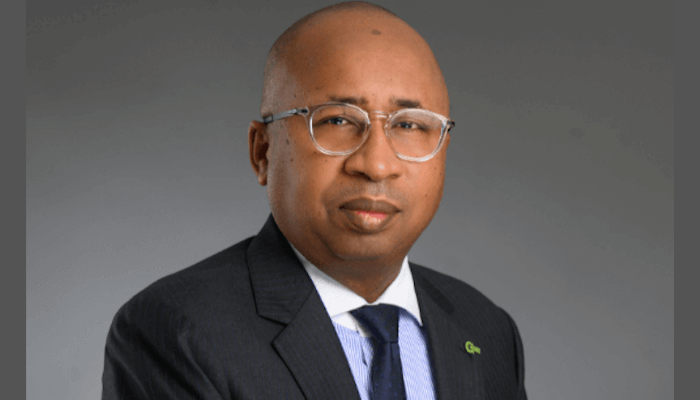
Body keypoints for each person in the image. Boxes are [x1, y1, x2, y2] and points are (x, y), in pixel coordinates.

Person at [101, 2, 527, 399]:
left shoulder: (486, 329)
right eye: (337, 120)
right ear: (262, 151)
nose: (377, 165)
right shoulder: (179, 330)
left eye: (410, 125)